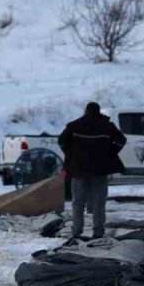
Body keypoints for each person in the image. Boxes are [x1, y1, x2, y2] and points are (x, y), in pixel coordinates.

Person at [58, 102, 126, 239]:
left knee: (78, 203)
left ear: (86, 111)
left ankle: (76, 232)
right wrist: (110, 153)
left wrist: (70, 154)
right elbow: (121, 140)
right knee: (99, 203)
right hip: (100, 170)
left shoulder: (75, 125)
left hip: (79, 170)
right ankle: (98, 233)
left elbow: (61, 141)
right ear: (99, 112)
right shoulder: (107, 126)